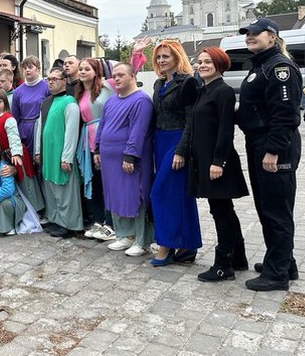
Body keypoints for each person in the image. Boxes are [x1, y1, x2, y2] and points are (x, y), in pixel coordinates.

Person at [237, 18, 302, 291]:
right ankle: (283, 262)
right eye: (247, 34)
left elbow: (285, 114)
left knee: (276, 211)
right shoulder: (262, 65)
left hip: (273, 146)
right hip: (259, 143)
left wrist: (273, 150)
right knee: (268, 207)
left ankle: (277, 275)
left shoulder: (280, 68)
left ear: (272, 37)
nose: (249, 37)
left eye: (255, 33)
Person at [189, 48, 250, 282]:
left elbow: (225, 129)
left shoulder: (222, 91)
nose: (202, 65)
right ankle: (238, 258)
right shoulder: (205, 90)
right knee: (224, 210)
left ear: (219, 64)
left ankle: (224, 265)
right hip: (205, 160)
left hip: (217, 162)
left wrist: (218, 161)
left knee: (221, 213)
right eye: (200, 62)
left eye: (208, 62)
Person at [148, 40, 202, 266]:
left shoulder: (187, 83)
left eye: (166, 56)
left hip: (177, 141)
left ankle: (166, 244)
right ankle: (187, 245)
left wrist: (181, 150)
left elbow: (192, 120)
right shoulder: (159, 84)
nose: (161, 61)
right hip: (159, 142)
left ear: (177, 57)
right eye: (159, 57)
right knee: (178, 196)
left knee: (160, 194)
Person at [94, 64, 155, 256]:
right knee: (116, 196)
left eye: (121, 75)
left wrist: (130, 155)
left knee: (135, 197)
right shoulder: (111, 101)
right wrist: (96, 148)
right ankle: (125, 235)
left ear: (132, 76)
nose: (117, 79)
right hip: (109, 158)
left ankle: (142, 240)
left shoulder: (141, 100)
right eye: (114, 76)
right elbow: (102, 125)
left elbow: (139, 130)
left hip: (130, 160)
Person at [34, 67, 83, 238]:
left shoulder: (70, 102)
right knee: (50, 188)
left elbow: (71, 131)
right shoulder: (46, 102)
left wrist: (67, 157)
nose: (51, 81)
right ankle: (55, 219)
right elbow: (40, 128)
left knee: (65, 191)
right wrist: (38, 150)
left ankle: (68, 224)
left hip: (61, 153)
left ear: (64, 81)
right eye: (49, 79)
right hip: (48, 153)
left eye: (55, 78)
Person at [74, 58, 116, 242]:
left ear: (96, 71)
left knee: (109, 183)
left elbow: (130, 73)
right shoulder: (80, 93)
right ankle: (99, 220)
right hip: (88, 141)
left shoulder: (108, 86)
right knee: (95, 182)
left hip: (106, 136)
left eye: (87, 69)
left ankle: (111, 223)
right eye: (80, 69)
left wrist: (137, 54)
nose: (82, 72)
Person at [0, 89, 44, 214]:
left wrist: (16, 154)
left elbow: (14, 137)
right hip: (4, 157)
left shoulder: (9, 119)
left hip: (17, 156)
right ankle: (21, 212)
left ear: (5, 103)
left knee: (26, 183)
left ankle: (36, 211)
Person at [11, 56, 49, 157]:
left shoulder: (46, 87)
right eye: (25, 68)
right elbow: (15, 116)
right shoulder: (18, 91)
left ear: (38, 69)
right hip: (24, 130)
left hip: (40, 129)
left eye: (30, 67)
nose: (27, 70)